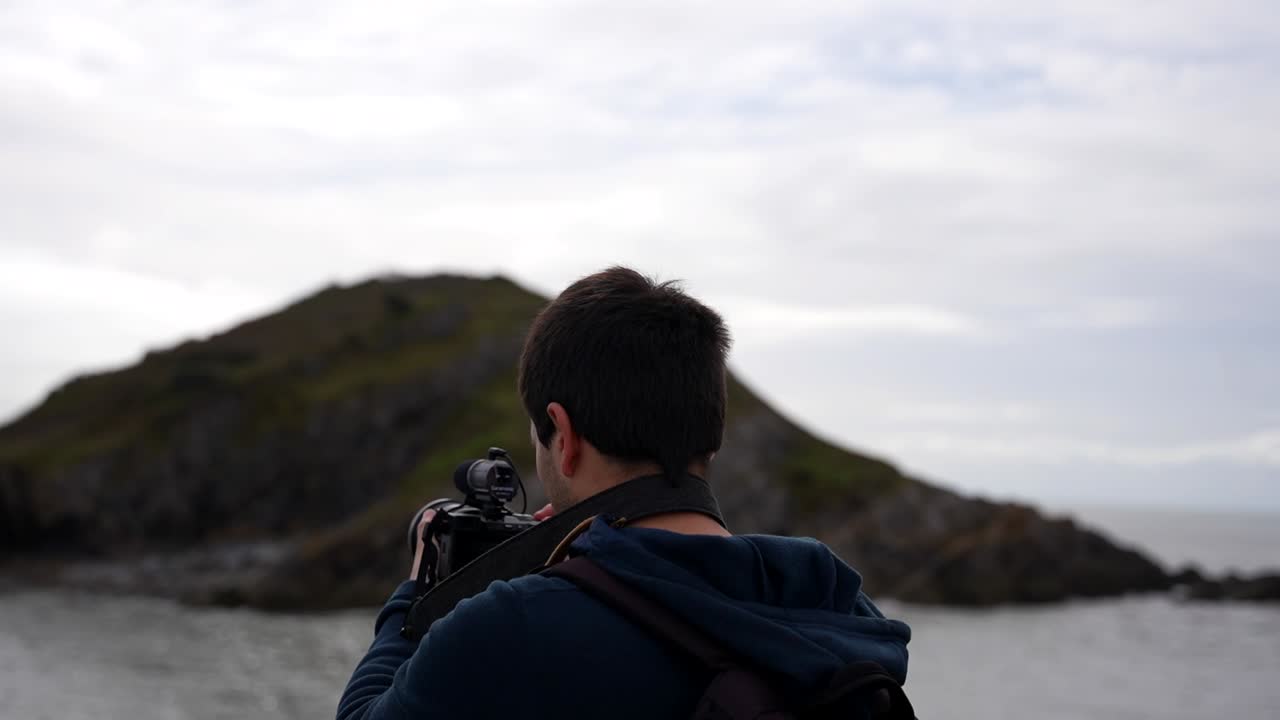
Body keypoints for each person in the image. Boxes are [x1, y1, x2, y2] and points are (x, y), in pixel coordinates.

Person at [336, 267, 911, 719]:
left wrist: (417, 596)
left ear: (564, 437)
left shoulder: (515, 626)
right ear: (710, 439)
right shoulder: (836, 606)